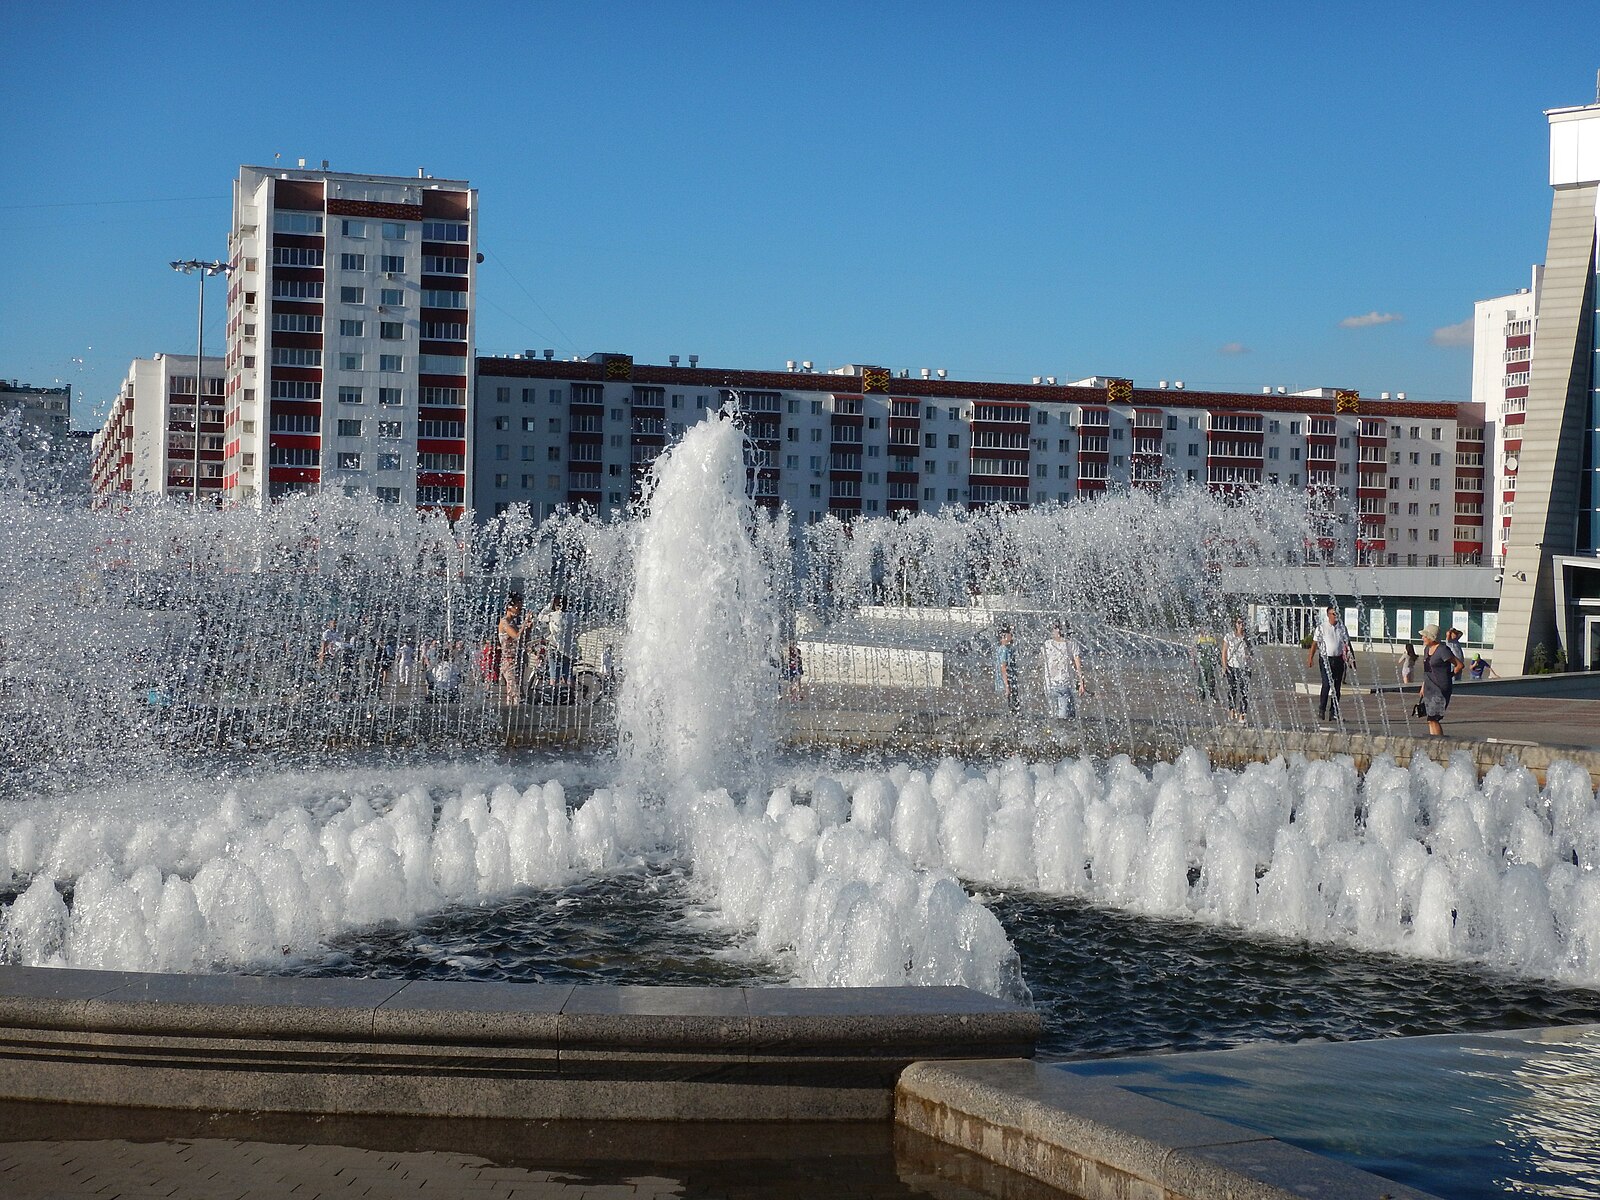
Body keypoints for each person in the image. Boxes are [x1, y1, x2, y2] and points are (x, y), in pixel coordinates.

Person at [1306, 605, 1354, 725]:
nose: (1336, 616)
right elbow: (1314, 644)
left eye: (1337, 614)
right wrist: (1310, 658)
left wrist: (1352, 659)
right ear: (1328, 615)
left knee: (1337, 688)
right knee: (1327, 685)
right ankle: (1322, 708)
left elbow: (1347, 644)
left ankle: (1334, 712)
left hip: (1338, 660)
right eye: (1333, 614)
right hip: (1325, 659)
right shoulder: (1321, 628)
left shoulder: (1342, 628)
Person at [1041, 621, 1086, 720]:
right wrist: (1081, 682)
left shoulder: (1047, 644)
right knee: (1064, 717)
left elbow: (1043, 662)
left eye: (1054, 629)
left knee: (1054, 715)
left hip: (1051, 685)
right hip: (1064, 684)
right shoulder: (1071, 644)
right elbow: (1078, 665)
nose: (1052, 631)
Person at [1418, 624, 1453, 736]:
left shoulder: (1443, 650)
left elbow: (1459, 665)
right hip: (1429, 687)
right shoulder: (1426, 649)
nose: (1422, 638)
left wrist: (1448, 676)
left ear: (1431, 637)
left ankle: (1439, 743)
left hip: (1440, 688)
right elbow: (1427, 670)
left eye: (1424, 636)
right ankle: (1434, 741)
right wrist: (1423, 687)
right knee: (1430, 718)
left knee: (1434, 718)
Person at [497, 595, 530, 704]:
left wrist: (529, 629)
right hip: (509, 661)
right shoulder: (504, 622)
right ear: (509, 607)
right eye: (518, 608)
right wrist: (525, 624)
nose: (520, 611)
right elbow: (516, 636)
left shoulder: (513, 623)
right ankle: (513, 714)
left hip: (517, 660)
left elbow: (522, 640)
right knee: (514, 691)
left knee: (517, 690)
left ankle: (514, 715)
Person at [1221, 617, 1252, 724]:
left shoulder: (1248, 638)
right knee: (1231, 690)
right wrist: (1224, 666)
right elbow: (1224, 652)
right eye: (1239, 622)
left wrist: (1248, 656)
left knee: (1244, 692)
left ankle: (1242, 715)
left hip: (1244, 668)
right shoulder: (1229, 637)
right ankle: (1232, 711)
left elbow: (1251, 652)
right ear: (1235, 624)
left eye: (1243, 623)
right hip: (1232, 666)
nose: (1241, 625)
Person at [537, 594, 573, 685]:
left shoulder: (553, 615)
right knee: (568, 677)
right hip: (568, 649)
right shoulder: (573, 617)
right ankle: (571, 696)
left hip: (555, 648)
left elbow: (540, 617)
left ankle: (553, 695)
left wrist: (549, 606)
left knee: (554, 677)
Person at [1192, 629, 1222, 706]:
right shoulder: (1199, 639)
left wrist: (1218, 660)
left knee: (1209, 679)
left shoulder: (1211, 639)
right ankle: (1202, 696)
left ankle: (1208, 695)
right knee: (1203, 679)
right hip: (1204, 662)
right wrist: (1194, 659)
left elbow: (1216, 650)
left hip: (1209, 662)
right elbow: (1194, 650)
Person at [994, 627, 1019, 714]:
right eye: (1010, 634)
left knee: (1010, 710)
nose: (1012, 636)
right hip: (1007, 685)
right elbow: (1003, 668)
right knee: (1012, 710)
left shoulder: (1002, 648)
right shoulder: (1004, 649)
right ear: (1004, 636)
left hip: (1006, 684)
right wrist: (1007, 686)